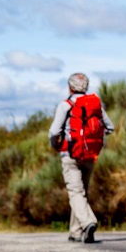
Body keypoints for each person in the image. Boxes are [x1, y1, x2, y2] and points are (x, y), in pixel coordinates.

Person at [48, 72, 114, 243]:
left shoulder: (66, 105)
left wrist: (56, 145)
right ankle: (75, 231)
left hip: (70, 154)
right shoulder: (95, 105)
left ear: (70, 87)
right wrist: (92, 138)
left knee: (75, 192)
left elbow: (54, 132)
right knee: (82, 193)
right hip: (90, 155)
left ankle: (88, 222)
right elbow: (110, 127)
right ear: (86, 86)